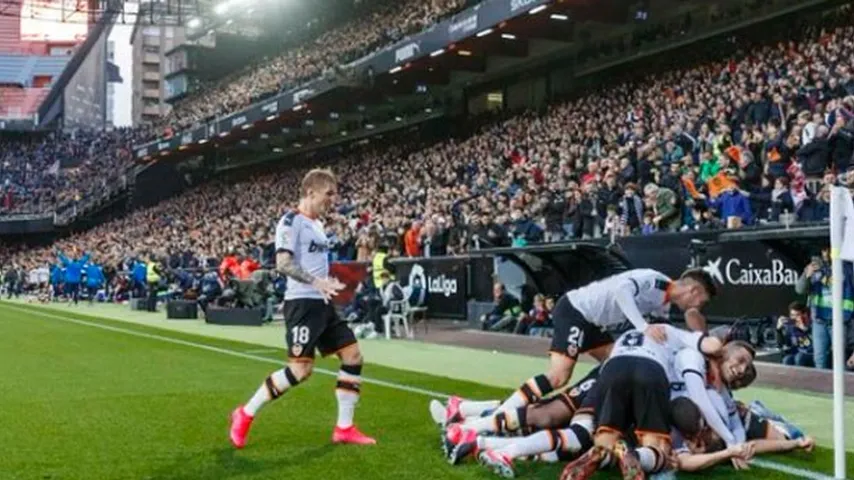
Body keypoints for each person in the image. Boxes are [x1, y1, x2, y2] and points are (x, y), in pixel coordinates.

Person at [467, 268, 715, 437]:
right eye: (700, 301)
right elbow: (621, 292)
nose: (697, 307)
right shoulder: (656, 280)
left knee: (612, 363)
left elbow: (662, 334)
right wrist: (643, 326)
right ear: (693, 291)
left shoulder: (663, 304)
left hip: (592, 322)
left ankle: (562, 410)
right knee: (558, 376)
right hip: (576, 310)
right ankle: (498, 417)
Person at [229, 168, 376, 449]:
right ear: (311, 192)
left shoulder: (318, 225)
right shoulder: (290, 222)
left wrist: (328, 281)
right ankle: (245, 414)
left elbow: (313, 264)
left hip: (322, 302)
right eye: (328, 194)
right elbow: (283, 263)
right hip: (302, 304)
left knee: (353, 355)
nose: (333, 200)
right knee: (300, 371)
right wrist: (315, 281)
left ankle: (344, 428)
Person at [559, 327, 723, 480]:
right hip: (651, 369)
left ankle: (602, 451)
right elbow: (713, 346)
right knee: (657, 447)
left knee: (607, 435)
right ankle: (636, 456)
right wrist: (715, 356)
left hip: (614, 366)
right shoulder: (671, 332)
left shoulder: (631, 332)